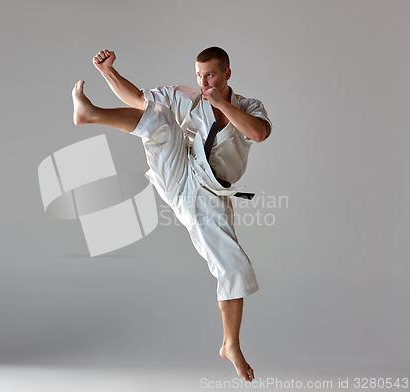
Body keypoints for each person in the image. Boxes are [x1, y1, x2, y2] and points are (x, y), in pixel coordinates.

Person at [72, 47, 272, 382]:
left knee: (234, 267)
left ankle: (230, 345)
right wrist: (108, 72)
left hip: (212, 194)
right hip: (182, 175)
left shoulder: (249, 107)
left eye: (209, 74)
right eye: (198, 74)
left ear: (227, 74)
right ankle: (90, 113)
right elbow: (136, 97)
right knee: (160, 119)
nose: (203, 81)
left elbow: (259, 133)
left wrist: (222, 104)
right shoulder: (187, 98)